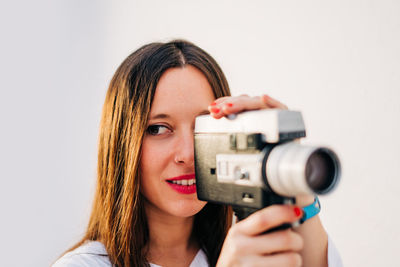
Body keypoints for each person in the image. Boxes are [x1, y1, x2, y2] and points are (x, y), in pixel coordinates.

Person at [53, 40, 342, 267]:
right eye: (158, 129)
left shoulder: (250, 246)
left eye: (202, 127)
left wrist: (290, 166)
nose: (188, 155)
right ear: (121, 143)